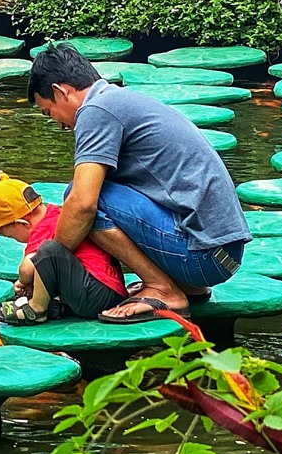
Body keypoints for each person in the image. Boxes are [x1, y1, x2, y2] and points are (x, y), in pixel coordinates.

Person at [26, 46, 249, 322]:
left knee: (80, 196)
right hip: (221, 255)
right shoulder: (120, 99)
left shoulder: (96, 110)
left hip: (204, 256)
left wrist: (47, 267)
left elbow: (83, 205)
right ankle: (182, 287)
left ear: (61, 91)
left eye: (49, 113)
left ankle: (164, 289)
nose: (58, 125)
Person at [0, 174, 127, 324]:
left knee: (48, 251)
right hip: (110, 294)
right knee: (51, 263)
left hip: (95, 295)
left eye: (9, 236)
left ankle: (36, 309)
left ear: (22, 224)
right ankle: (56, 307)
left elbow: (28, 268)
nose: (12, 239)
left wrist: (22, 281)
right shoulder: (58, 215)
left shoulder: (44, 229)